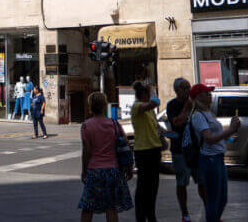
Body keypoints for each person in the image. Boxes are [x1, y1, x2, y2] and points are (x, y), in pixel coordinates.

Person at [188, 84, 239, 222]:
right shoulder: (198, 116)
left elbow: (214, 136)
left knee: (222, 198)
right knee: (214, 199)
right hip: (209, 160)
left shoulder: (208, 113)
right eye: (206, 93)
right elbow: (209, 138)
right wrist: (231, 130)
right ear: (198, 97)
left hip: (217, 158)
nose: (210, 95)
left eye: (209, 93)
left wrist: (228, 136)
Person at [79, 91, 133, 221]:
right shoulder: (114, 124)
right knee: (111, 207)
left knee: (88, 207)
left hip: (94, 171)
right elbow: (126, 146)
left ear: (91, 107)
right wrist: (129, 168)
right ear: (105, 106)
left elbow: (87, 152)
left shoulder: (86, 126)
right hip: (113, 170)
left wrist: (84, 171)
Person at [165, 78, 206, 222]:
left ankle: (209, 209)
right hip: (180, 150)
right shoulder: (172, 105)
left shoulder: (196, 104)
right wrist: (186, 108)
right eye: (184, 88)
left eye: (189, 87)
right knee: (182, 183)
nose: (188, 90)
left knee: (202, 181)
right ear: (177, 90)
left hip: (196, 150)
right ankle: (185, 214)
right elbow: (176, 123)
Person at [130, 81, 162, 222]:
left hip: (154, 149)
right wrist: (154, 95)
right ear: (143, 94)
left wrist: (166, 133)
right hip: (143, 151)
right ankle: (141, 217)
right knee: (143, 186)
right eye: (148, 93)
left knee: (153, 186)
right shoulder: (137, 106)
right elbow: (153, 103)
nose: (150, 96)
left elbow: (155, 126)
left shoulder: (150, 110)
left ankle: (151, 214)